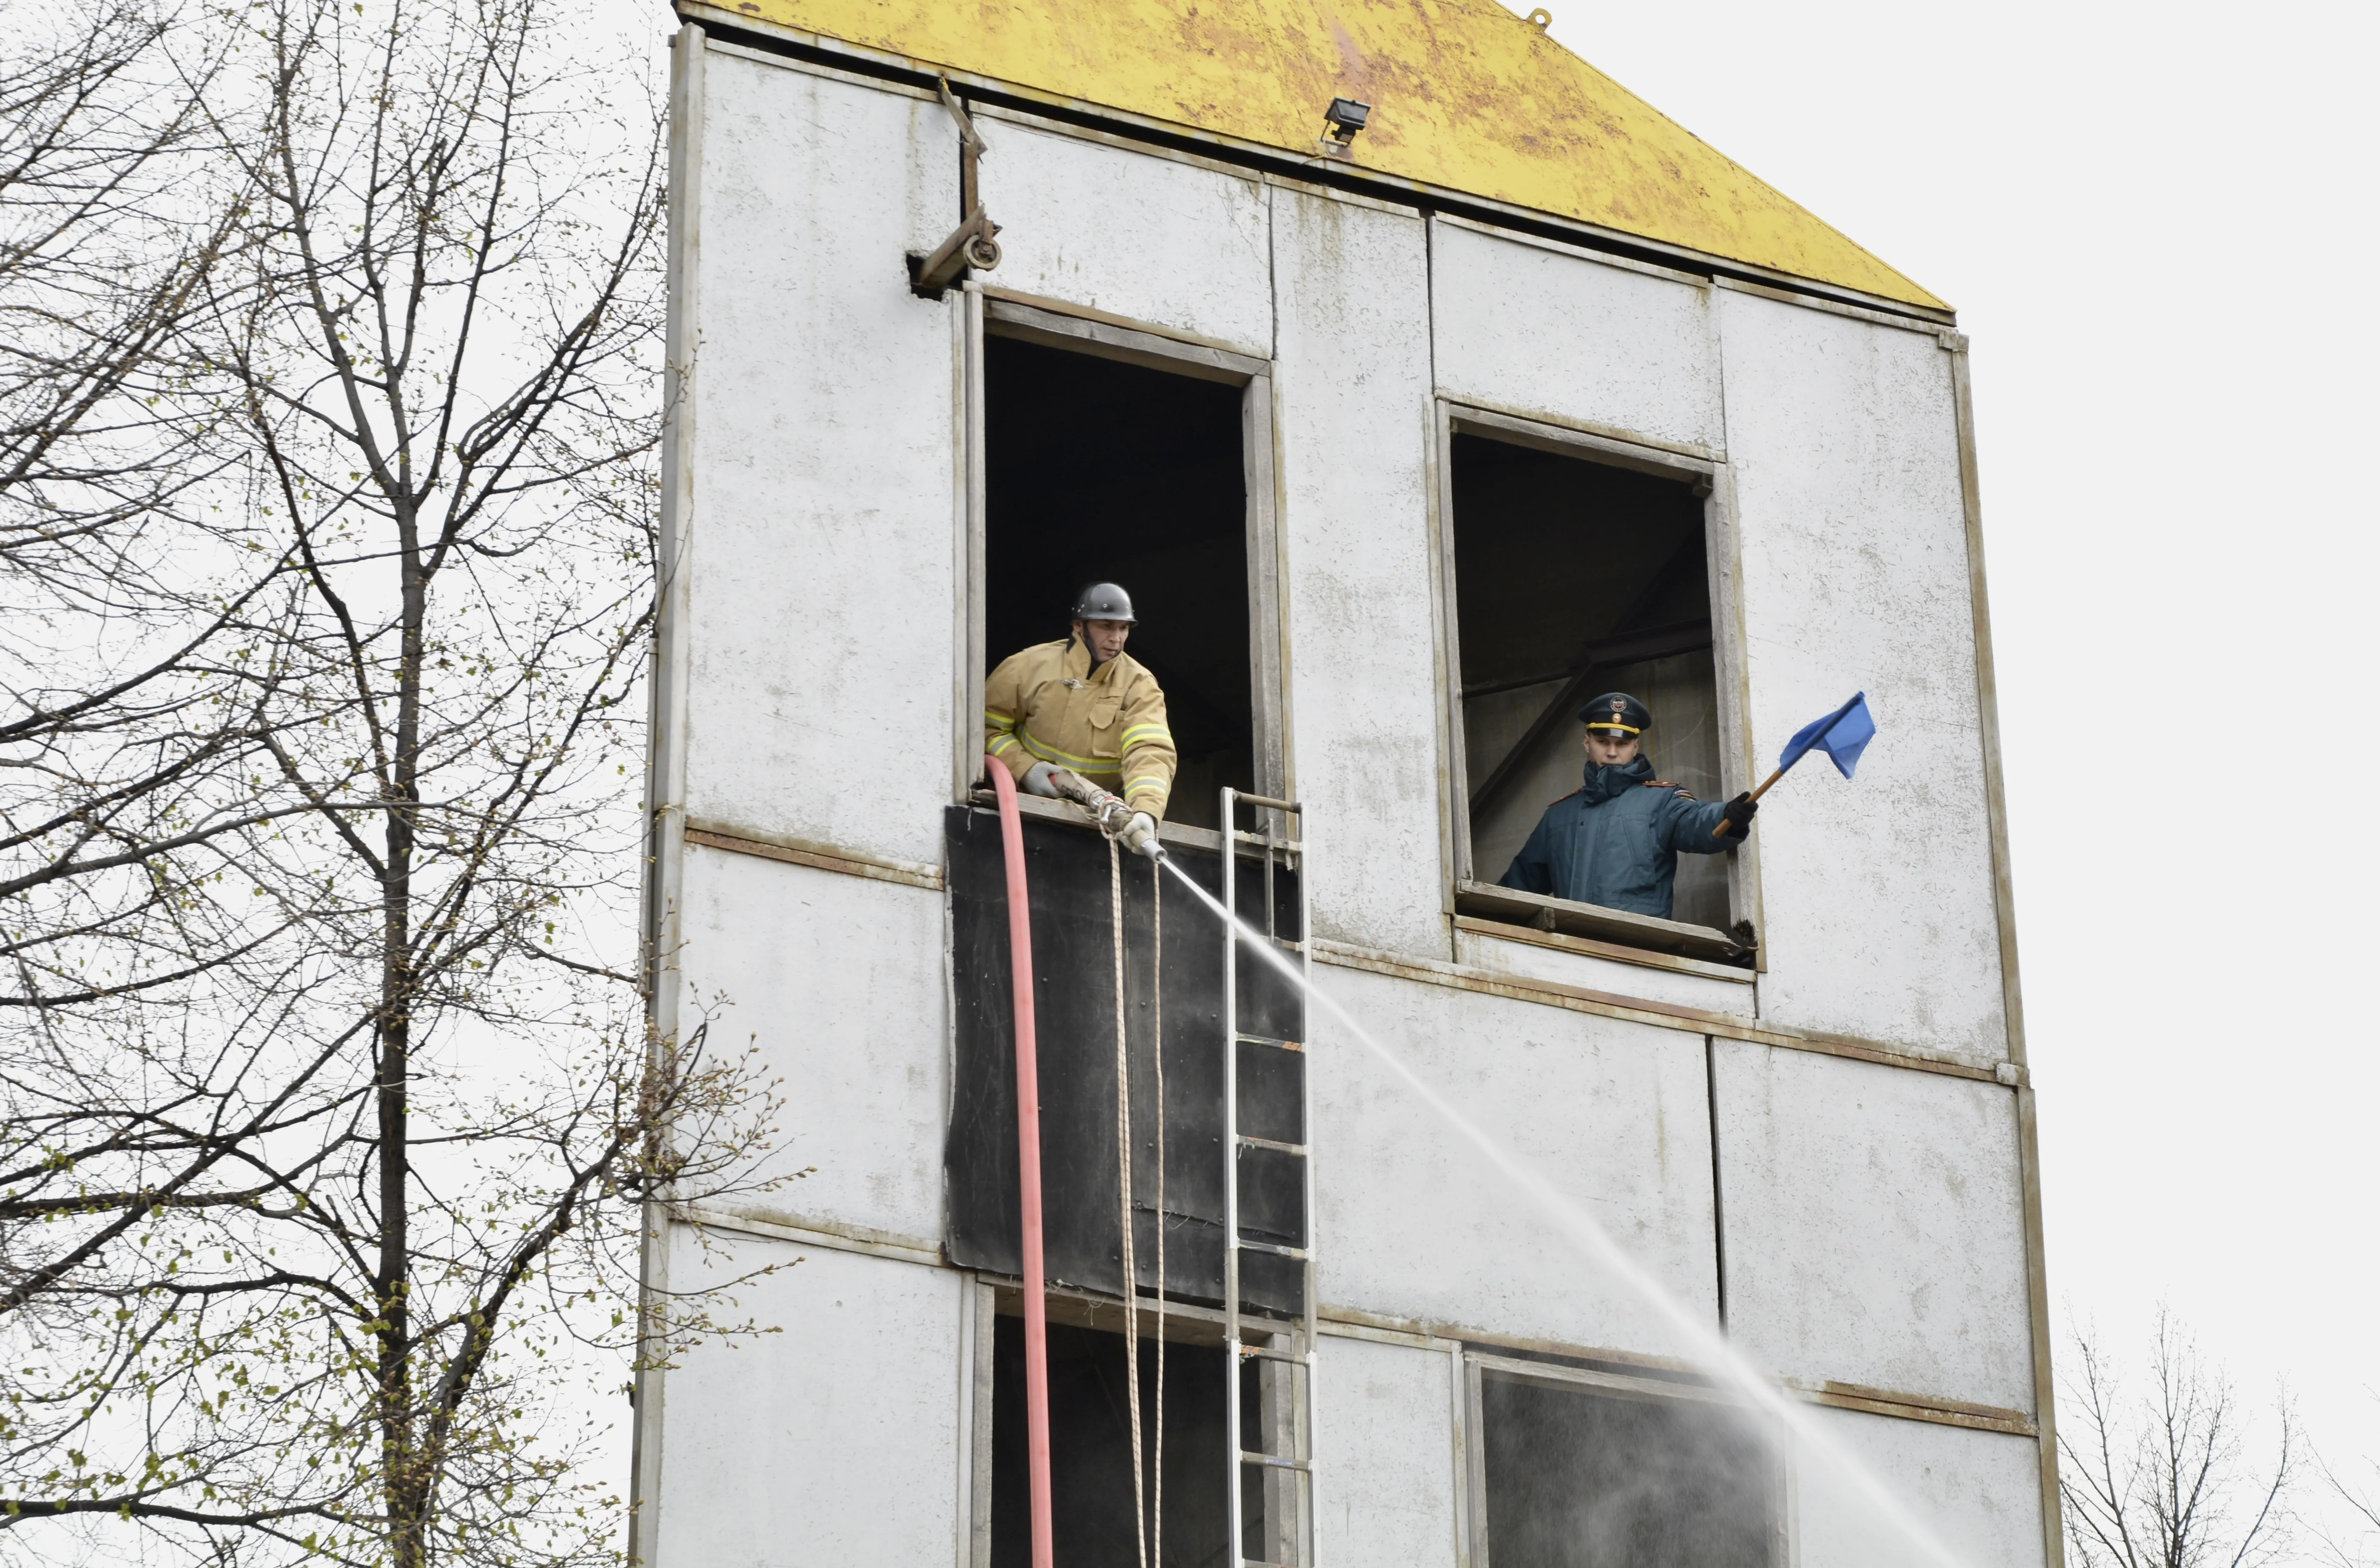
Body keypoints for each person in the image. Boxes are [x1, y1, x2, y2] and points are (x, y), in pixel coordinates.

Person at [1497, 691, 1757, 921]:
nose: (1612, 752)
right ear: (1587, 742)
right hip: (1574, 953)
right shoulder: (1558, 816)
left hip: (1642, 950)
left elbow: (1696, 823)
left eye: (1622, 744)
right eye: (1603, 742)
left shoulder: (1663, 800)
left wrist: (1727, 816)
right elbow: (1517, 888)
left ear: (1635, 746)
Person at [984, 583, 1176, 843]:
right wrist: (1026, 769)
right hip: (1017, 811)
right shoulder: (1028, 666)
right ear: (1079, 626)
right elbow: (984, 728)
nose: (1116, 638)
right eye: (1106, 626)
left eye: (1124, 628)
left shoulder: (1140, 685)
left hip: (1093, 828)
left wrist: (1146, 811)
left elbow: (1150, 751)